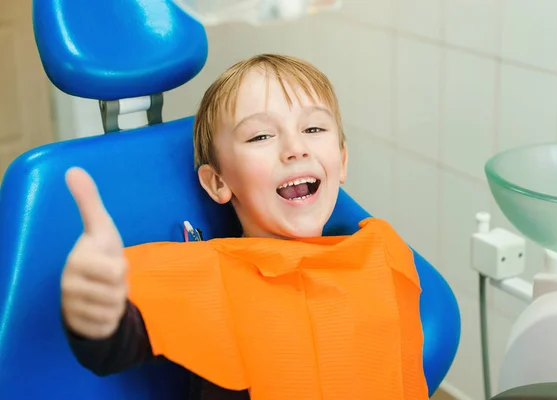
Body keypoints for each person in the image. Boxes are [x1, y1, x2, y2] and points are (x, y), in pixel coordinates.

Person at [60, 54, 427, 400]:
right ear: (218, 182)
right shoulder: (209, 277)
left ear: (342, 161)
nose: (295, 148)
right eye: (261, 136)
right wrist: (95, 309)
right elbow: (118, 344)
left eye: (313, 127)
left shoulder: (380, 255)